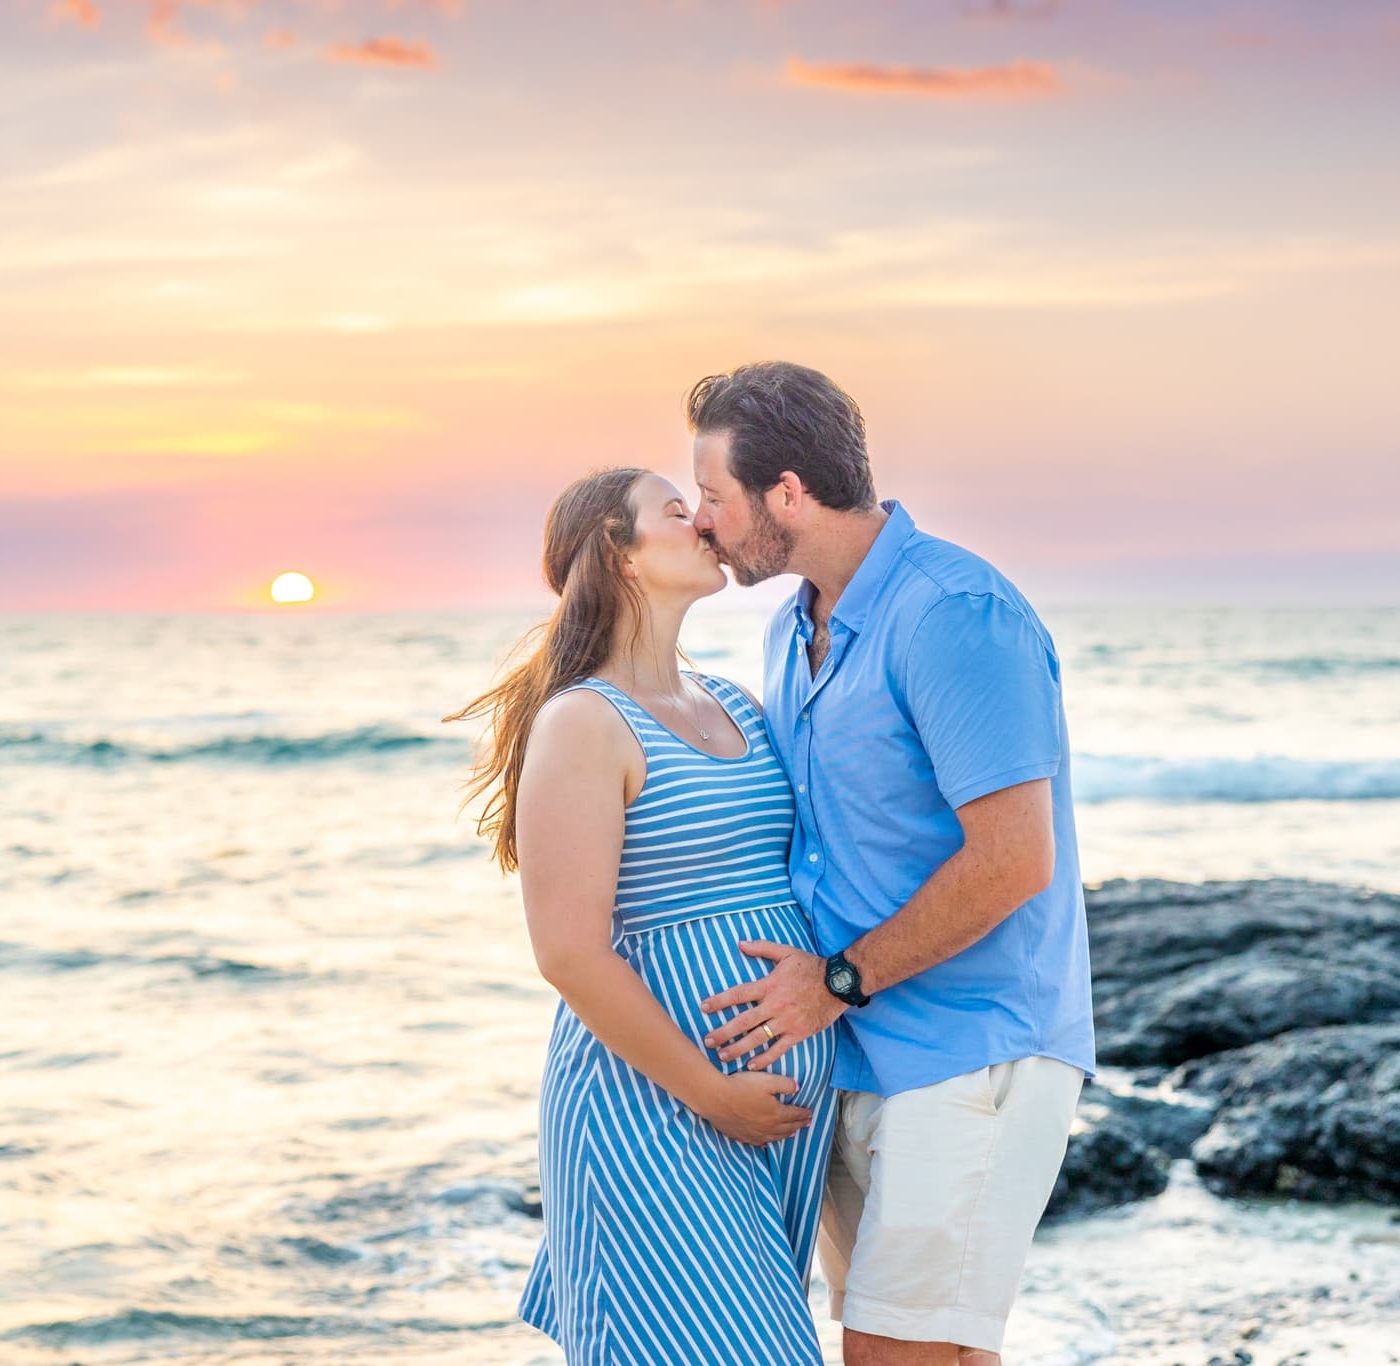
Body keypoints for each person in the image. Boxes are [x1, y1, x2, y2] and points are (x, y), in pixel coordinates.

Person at [685, 362, 1096, 1366]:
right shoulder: (794, 627)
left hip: (972, 1045)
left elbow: (1011, 859)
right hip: (854, 1056)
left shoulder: (954, 612)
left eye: (711, 496)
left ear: (785, 491)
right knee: (926, 1352)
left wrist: (835, 980)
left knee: (893, 1355)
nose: (701, 522)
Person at [448, 465, 837, 1366]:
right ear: (617, 556)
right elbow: (570, 953)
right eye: (675, 511)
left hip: (768, 1127)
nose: (704, 521)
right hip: (655, 1118)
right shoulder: (585, 722)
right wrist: (714, 1095)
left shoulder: (737, 704)